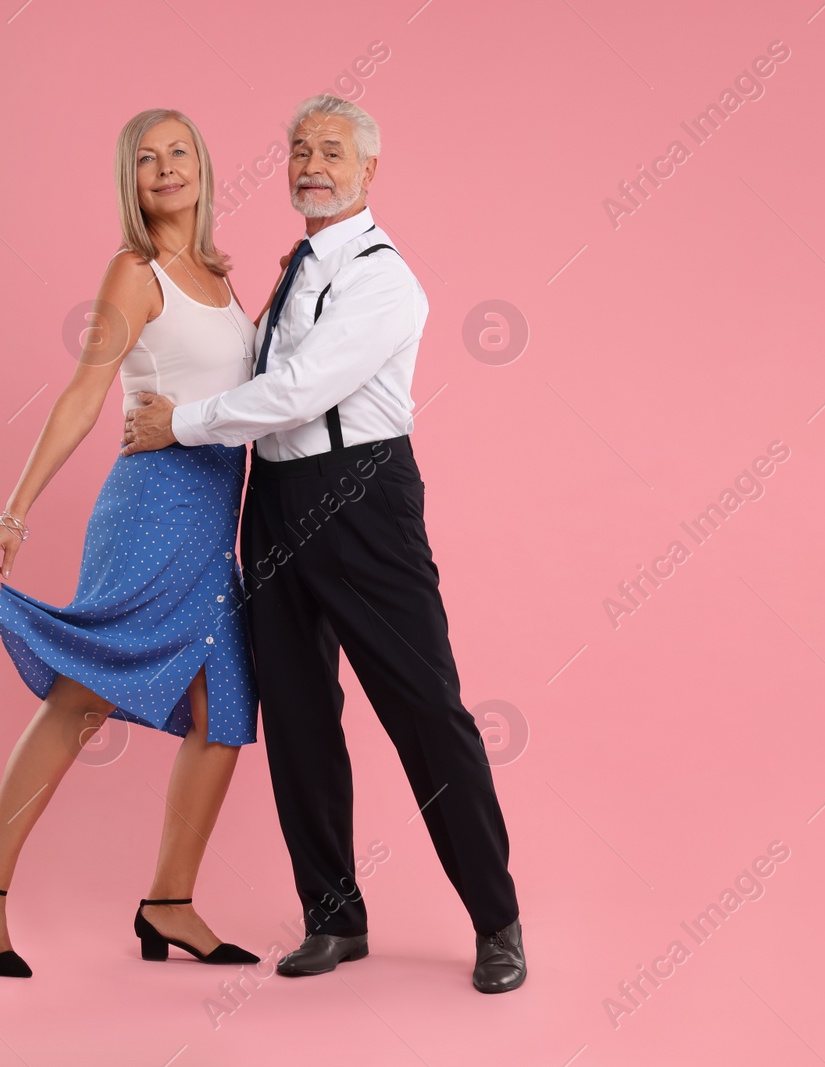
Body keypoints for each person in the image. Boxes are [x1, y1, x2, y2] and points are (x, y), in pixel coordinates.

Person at [121, 94, 526, 993]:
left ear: (370, 170)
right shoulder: (292, 267)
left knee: (425, 709)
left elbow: (299, 390)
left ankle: (497, 920)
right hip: (276, 496)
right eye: (300, 148)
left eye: (333, 150)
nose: (312, 162)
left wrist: (177, 423)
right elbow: (259, 367)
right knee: (300, 715)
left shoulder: (385, 278)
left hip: (362, 496)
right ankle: (332, 915)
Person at [0, 107, 262, 978]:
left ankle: (169, 900)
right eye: (147, 159)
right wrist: (15, 509)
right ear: (131, 181)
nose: (167, 168)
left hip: (213, 518)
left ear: (203, 164)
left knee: (225, 711)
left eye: (180, 153)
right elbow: (87, 394)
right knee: (83, 696)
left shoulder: (218, 272)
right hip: (152, 508)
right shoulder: (138, 270)